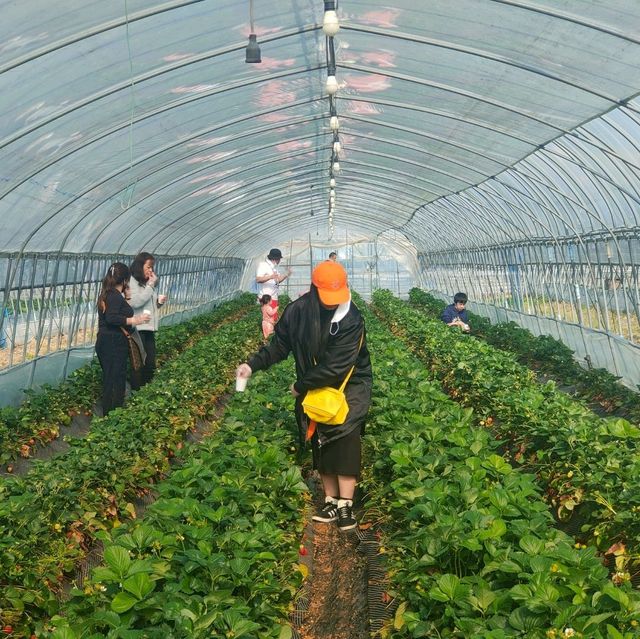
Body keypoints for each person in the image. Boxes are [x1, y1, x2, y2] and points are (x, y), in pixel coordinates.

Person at [237, 261, 372, 532]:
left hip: (348, 386)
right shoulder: (297, 312)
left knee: (345, 437)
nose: (332, 303)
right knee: (319, 437)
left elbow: (337, 366)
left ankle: (347, 504)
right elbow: (280, 345)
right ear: (315, 288)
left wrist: (300, 386)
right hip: (314, 387)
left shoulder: (351, 317)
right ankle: (330, 500)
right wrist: (252, 365)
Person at [96, 263, 147, 415]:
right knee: (114, 381)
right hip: (113, 344)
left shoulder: (110, 294)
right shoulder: (114, 296)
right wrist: (133, 320)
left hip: (107, 343)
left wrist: (128, 295)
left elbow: (118, 311)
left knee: (113, 378)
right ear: (125, 279)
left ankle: (112, 415)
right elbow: (112, 318)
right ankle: (111, 416)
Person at [128, 252, 168, 388]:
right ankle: (136, 392)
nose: (151, 270)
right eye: (148, 267)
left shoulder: (146, 283)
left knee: (150, 363)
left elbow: (149, 304)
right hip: (138, 329)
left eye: (152, 267)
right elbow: (136, 302)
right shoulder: (131, 282)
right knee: (139, 364)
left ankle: (147, 392)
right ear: (140, 266)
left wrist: (159, 302)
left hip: (149, 328)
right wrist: (151, 286)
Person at [255, 248, 291, 319]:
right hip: (266, 298)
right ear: (276, 259)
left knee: (273, 318)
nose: (280, 261)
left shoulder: (274, 267)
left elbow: (278, 280)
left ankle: (271, 329)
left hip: (273, 297)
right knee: (267, 319)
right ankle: (268, 330)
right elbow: (258, 279)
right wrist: (270, 276)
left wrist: (287, 274)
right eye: (279, 259)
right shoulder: (263, 265)